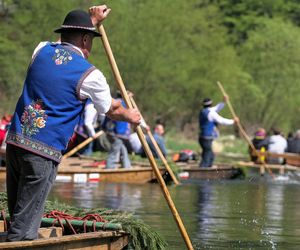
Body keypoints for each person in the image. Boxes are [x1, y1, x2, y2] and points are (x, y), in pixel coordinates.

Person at [5, 6, 141, 242]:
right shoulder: (91, 74)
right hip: (42, 153)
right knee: (24, 226)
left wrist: (92, 21)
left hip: (15, 144)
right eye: (90, 41)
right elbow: (110, 109)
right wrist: (131, 116)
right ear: (86, 39)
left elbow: (63, 42)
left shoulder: (41, 50)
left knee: (18, 213)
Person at [198, 97, 237, 167]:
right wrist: (233, 121)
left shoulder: (203, 111)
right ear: (211, 104)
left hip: (202, 137)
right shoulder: (211, 113)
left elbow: (216, 108)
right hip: (207, 138)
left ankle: (206, 167)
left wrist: (224, 102)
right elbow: (221, 120)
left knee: (209, 155)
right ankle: (204, 169)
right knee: (208, 156)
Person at [103, 92, 132, 169]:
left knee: (122, 149)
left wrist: (104, 127)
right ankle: (109, 168)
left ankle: (127, 166)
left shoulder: (113, 102)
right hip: (118, 132)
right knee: (114, 151)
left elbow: (106, 116)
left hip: (112, 131)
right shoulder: (123, 104)